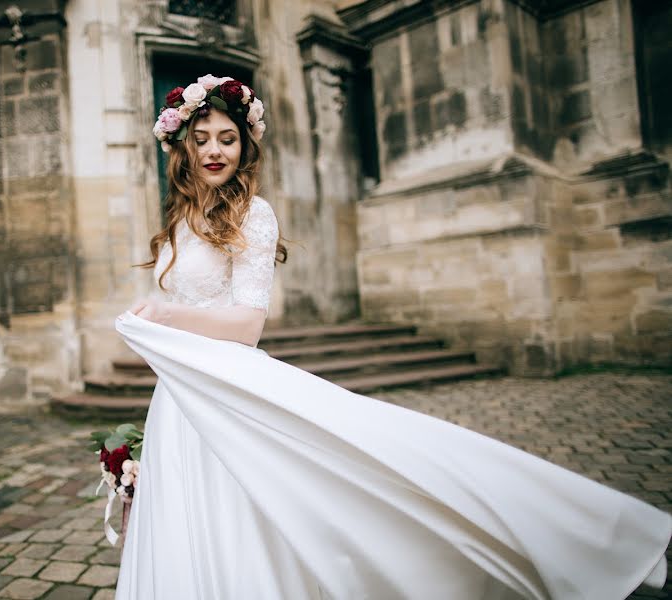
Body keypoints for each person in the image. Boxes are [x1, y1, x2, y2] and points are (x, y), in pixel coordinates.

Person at [112, 74, 671, 599]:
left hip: (233, 385)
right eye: (203, 138)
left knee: (351, 477)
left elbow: (247, 324)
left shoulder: (253, 215)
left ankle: (572, 540)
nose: (215, 150)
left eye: (228, 139)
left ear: (245, 147)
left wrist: (164, 317)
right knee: (193, 519)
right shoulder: (179, 220)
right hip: (180, 399)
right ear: (181, 146)